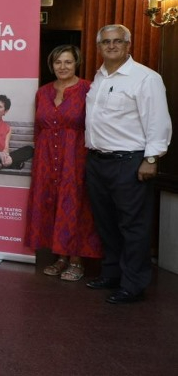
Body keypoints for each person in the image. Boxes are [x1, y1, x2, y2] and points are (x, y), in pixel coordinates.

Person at [84, 24, 172, 304]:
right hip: (97, 161)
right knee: (106, 223)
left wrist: (151, 159)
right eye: (106, 42)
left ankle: (133, 285)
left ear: (128, 45)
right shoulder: (98, 77)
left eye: (118, 41)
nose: (111, 46)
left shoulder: (146, 78)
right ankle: (112, 274)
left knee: (133, 226)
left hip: (130, 162)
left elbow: (158, 121)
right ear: (99, 47)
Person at [24, 45, 102, 282]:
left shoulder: (89, 89)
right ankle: (60, 257)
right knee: (52, 203)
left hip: (75, 157)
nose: (63, 67)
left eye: (68, 62)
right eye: (58, 62)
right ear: (52, 65)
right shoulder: (43, 92)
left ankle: (76, 260)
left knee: (74, 204)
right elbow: (38, 128)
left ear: (76, 63)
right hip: (46, 158)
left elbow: (97, 125)